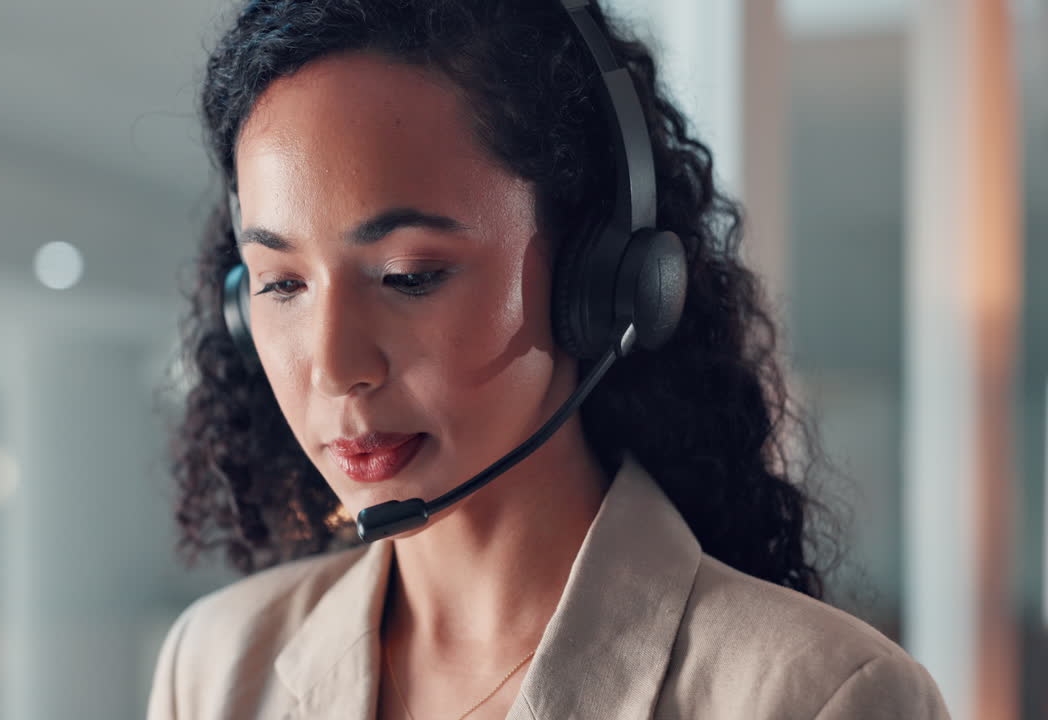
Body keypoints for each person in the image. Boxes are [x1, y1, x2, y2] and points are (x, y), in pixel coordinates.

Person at [150, 0, 950, 718]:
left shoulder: (820, 696)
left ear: (602, 282)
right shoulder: (215, 667)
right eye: (280, 283)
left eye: (409, 277)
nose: (333, 367)